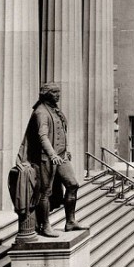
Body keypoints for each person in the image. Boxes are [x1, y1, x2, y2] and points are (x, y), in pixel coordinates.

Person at [20, 82, 85, 237]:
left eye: (58, 92)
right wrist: (52, 155)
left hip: (61, 156)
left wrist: (65, 150)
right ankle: (45, 225)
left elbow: (62, 131)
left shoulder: (55, 110)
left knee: (73, 184)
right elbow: (42, 137)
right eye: (55, 92)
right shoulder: (41, 112)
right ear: (47, 94)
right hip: (46, 158)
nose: (58, 95)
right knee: (45, 192)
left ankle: (70, 221)